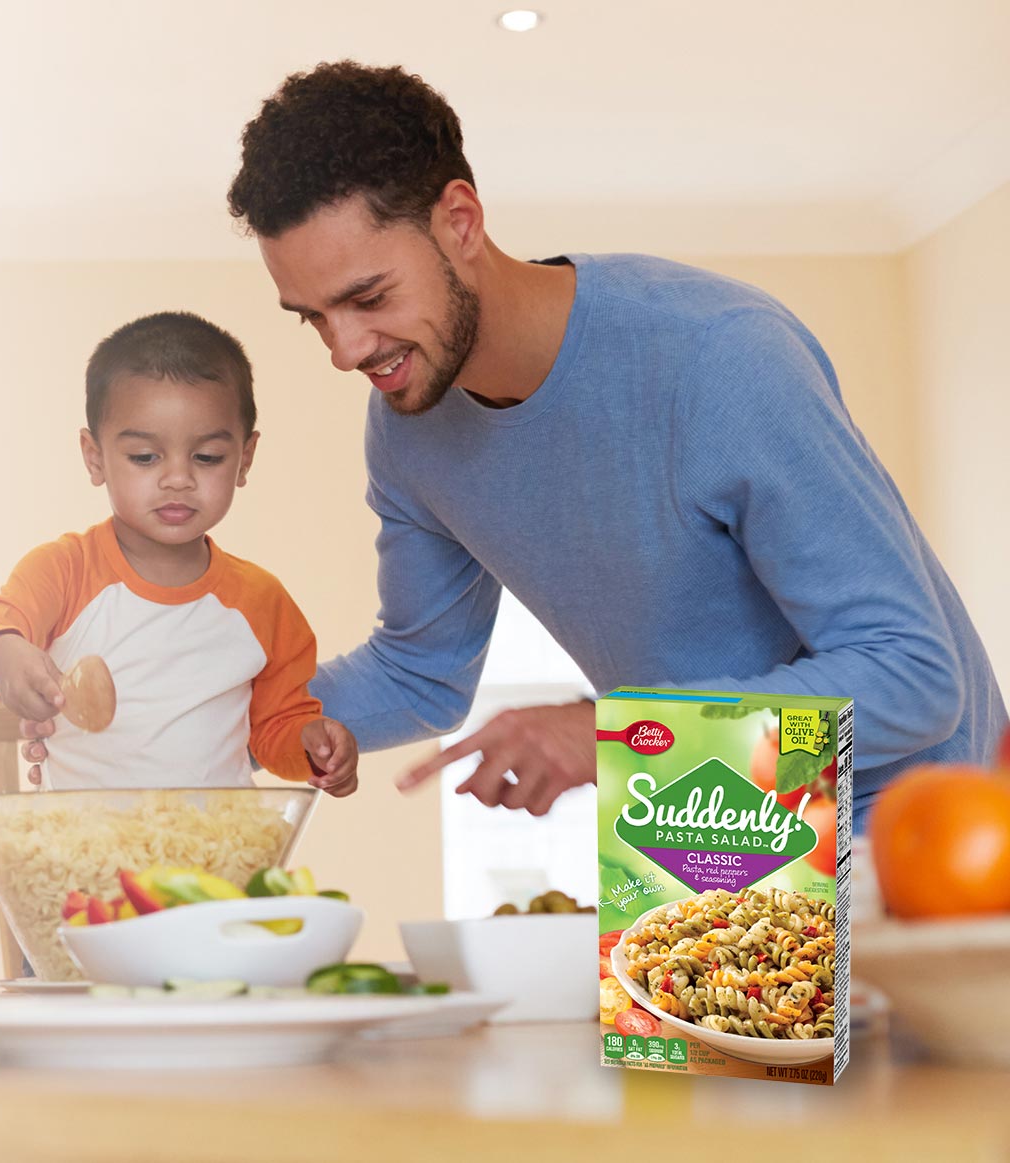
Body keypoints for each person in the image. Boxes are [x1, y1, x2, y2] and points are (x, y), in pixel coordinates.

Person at [213, 60, 1005, 820]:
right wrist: (200, 716)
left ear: (460, 222)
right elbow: (420, 673)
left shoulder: (719, 357)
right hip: (702, 812)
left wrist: (616, 738)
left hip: (908, 835)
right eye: (313, 316)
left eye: (368, 296)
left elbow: (915, 679)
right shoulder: (407, 430)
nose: (344, 350)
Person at [0, 311, 358, 793]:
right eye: (145, 457)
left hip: (216, 858)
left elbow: (274, 731)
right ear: (94, 457)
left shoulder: (262, 602)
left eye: (207, 457)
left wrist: (313, 746)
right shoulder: (65, 571)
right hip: (84, 854)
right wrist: (3, 654)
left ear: (244, 459)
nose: (177, 478)